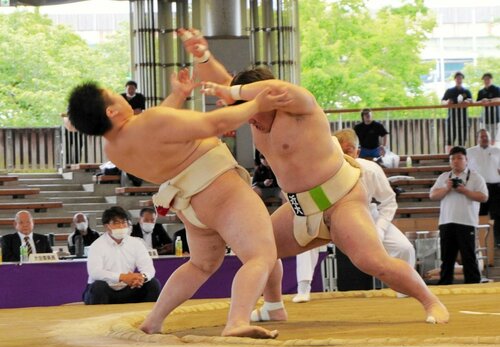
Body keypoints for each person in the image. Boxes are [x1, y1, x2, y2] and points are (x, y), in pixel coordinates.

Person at [180, 28, 449, 324]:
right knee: (260, 250)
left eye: (250, 104)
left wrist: (233, 92)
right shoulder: (252, 112)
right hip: (299, 208)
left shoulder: (300, 106)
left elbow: (256, 90)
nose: (250, 117)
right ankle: (273, 307)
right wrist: (203, 55)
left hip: (341, 201)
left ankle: (431, 301)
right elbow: (223, 82)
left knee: (372, 261)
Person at [68, 69, 291, 338]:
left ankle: (154, 321)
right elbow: (213, 125)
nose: (119, 95)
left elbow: (157, 132)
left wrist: (178, 95)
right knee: (260, 256)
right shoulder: (148, 122)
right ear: (111, 112)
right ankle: (237, 322)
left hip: (189, 204)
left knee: (201, 265)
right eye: (112, 95)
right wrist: (257, 104)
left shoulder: (113, 148)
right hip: (220, 190)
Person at [293, 129, 416, 302]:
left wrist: (379, 230)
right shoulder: (319, 171)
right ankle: (303, 288)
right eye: (339, 150)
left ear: (357, 152)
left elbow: (389, 201)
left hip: (365, 217)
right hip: (328, 219)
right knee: (307, 240)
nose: (344, 155)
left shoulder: (371, 170)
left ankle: (405, 287)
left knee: (404, 248)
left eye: (349, 150)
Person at [429, 146, 488, 285]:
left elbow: (484, 197)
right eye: (452, 158)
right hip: (446, 222)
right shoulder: (444, 177)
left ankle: (474, 285)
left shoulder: (475, 177)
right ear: (450, 161)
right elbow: (432, 195)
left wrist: (464, 191)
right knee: (447, 258)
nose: (456, 161)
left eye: (459, 158)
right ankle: (445, 285)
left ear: (466, 160)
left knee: (469, 257)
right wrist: (447, 188)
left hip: (467, 222)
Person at [83, 206, 162, 305]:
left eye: (124, 222)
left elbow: (149, 268)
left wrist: (142, 277)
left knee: (153, 284)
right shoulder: (97, 245)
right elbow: (95, 272)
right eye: (116, 223)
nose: (121, 226)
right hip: (105, 290)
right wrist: (122, 277)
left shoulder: (136, 243)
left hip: (128, 288)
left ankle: (149, 318)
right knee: (99, 286)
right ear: (107, 226)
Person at [466, 129, 500, 247]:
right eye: (482, 136)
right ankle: (479, 240)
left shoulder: (497, 151)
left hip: (496, 188)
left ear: (490, 139)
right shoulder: (469, 152)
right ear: (477, 138)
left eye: (486, 136)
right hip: (478, 188)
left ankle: (498, 241)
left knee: (497, 214)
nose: (484, 138)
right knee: (480, 214)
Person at [442, 71, 472, 152]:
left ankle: (461, 156)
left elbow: (471, 100)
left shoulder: (466, 91)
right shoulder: (449, 91)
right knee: (449, 140)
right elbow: (443, 101)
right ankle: (448, 157)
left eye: (461, 78)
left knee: (462, 140)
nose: (459, 79)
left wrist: (468, 101)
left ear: (462, 79)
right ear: (455, 79)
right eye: (457, 78)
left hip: (463, 119)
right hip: (452, 119)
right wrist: (447, 102)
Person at [476, 73, 500, 145]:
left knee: (493, 137)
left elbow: (499, 99)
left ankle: (492, 150)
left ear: (491, 79)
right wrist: (482, 101)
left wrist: (489, 100)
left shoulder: (496, 89)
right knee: (484, 135)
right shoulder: (481, 91)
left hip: (495, 117)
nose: (486, 80)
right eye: (485, 79)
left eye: (488, 79)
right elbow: (477, 102)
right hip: (484, 118)